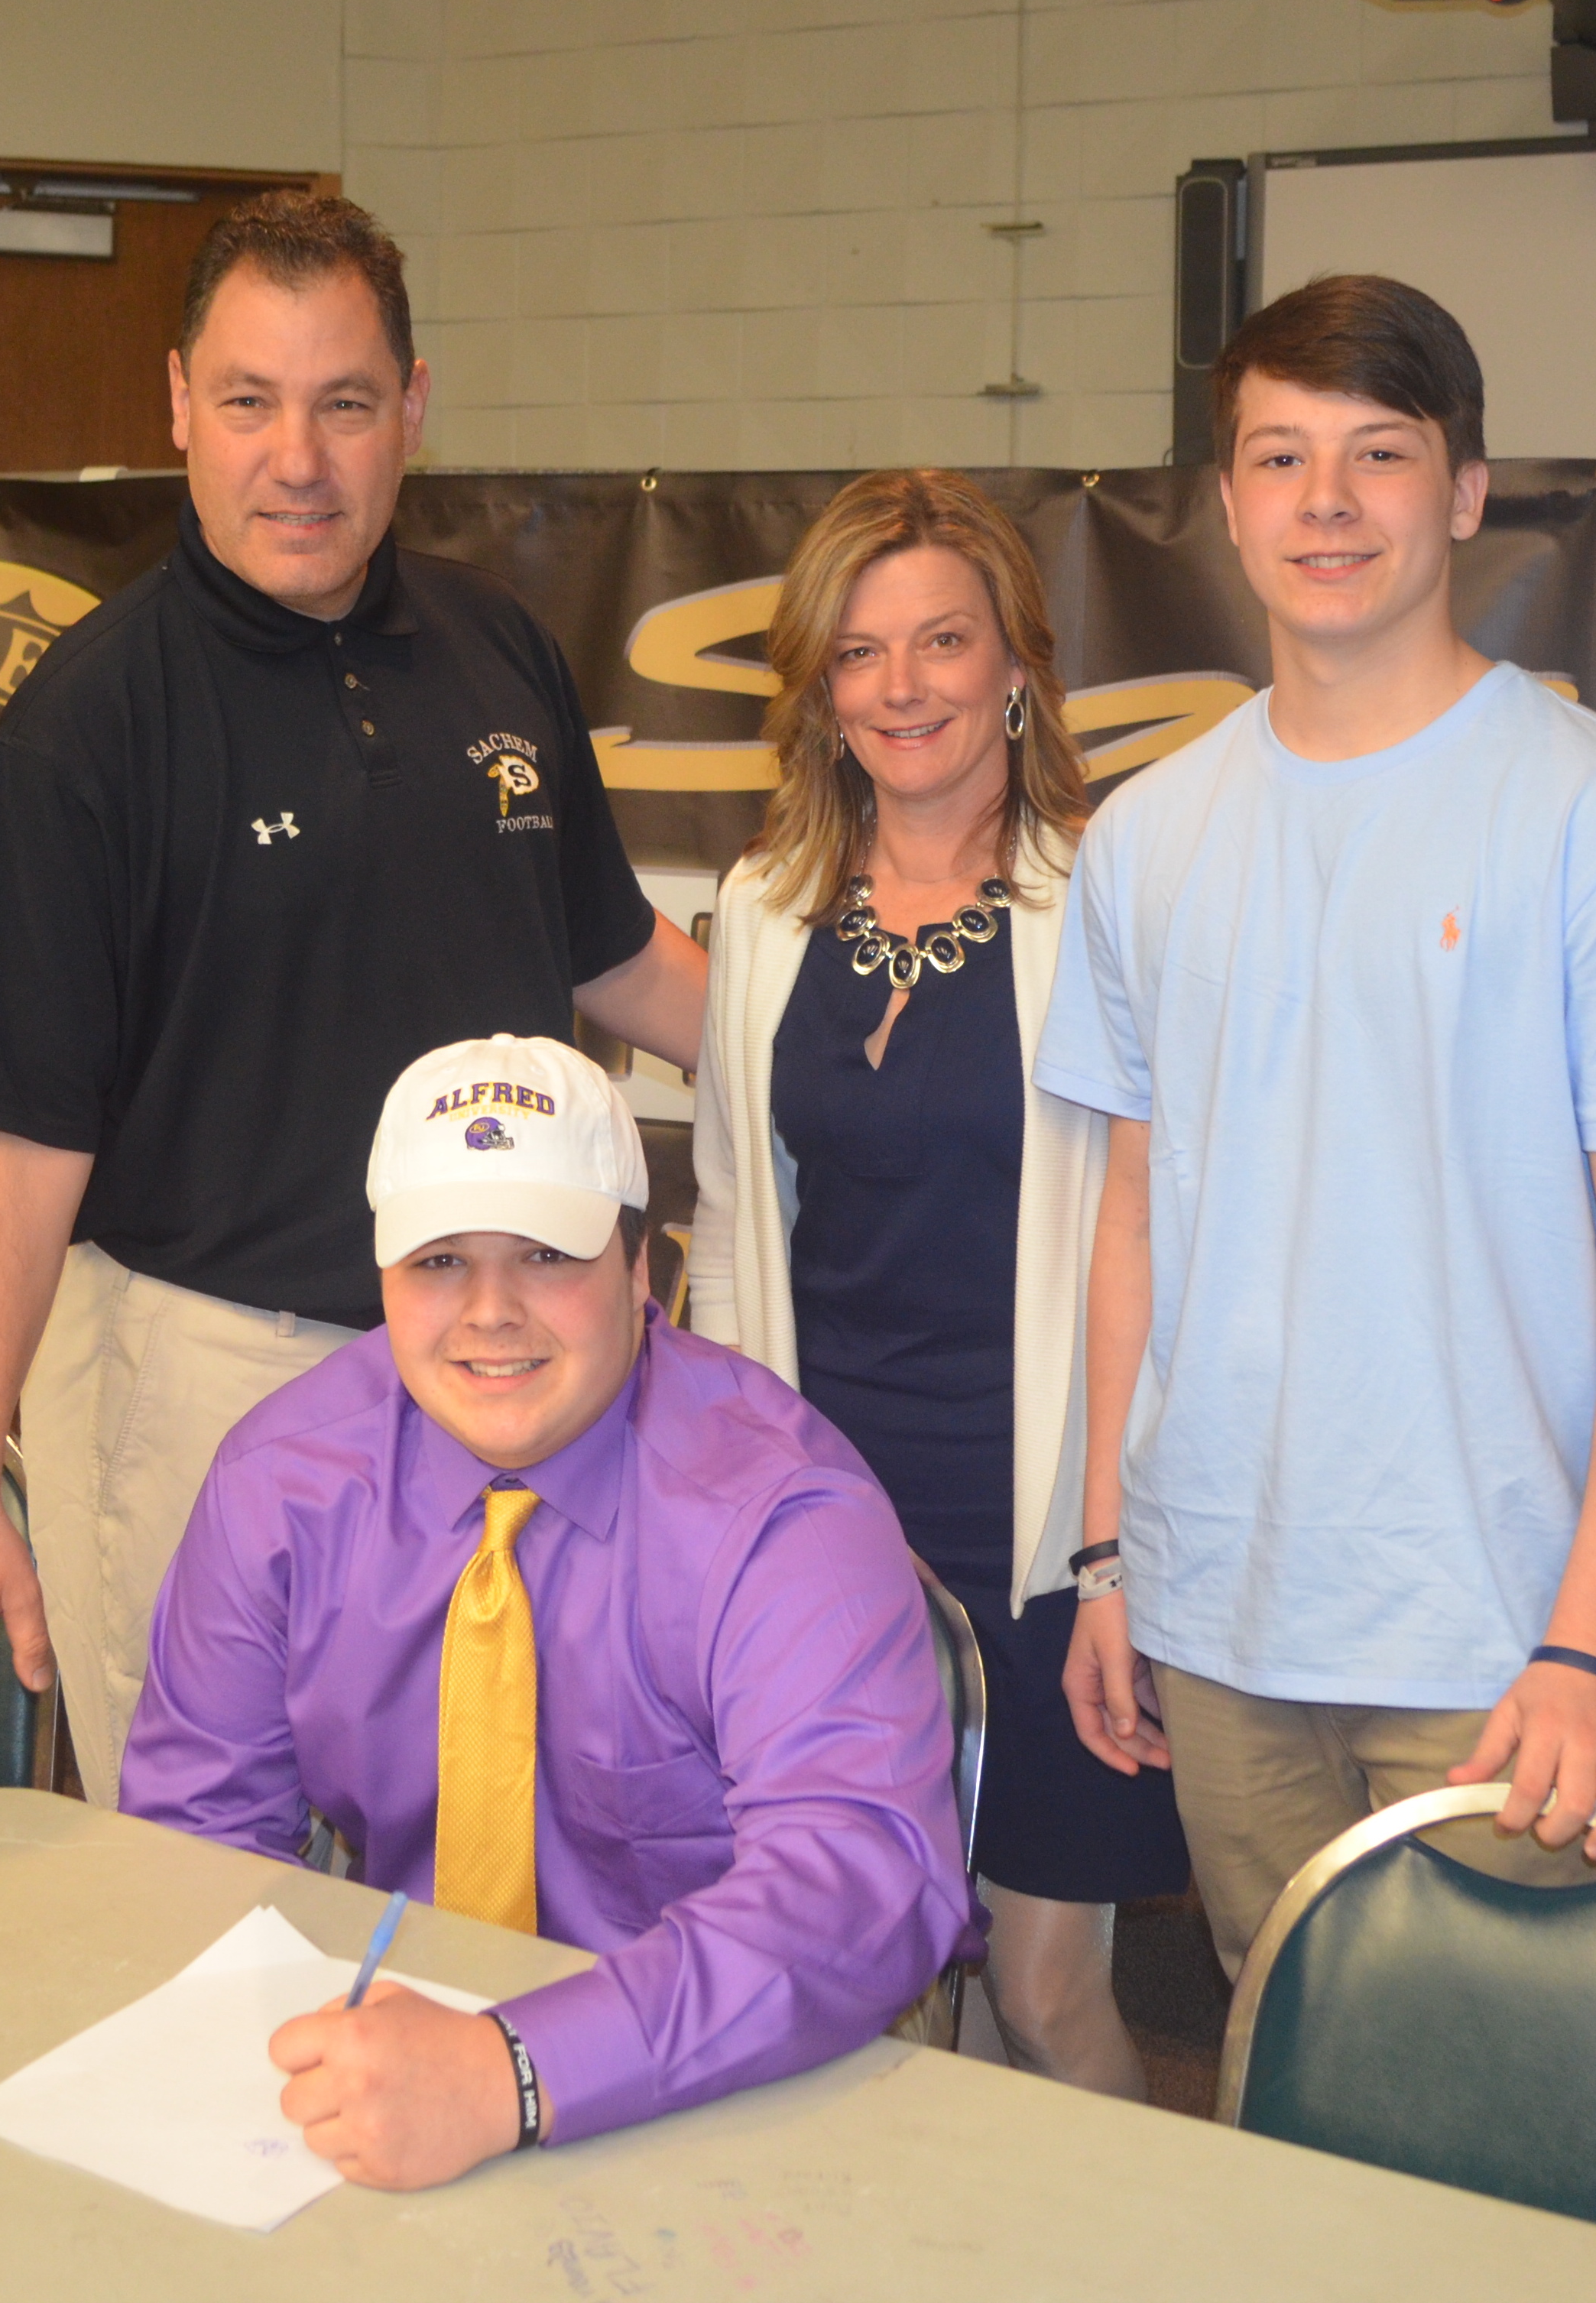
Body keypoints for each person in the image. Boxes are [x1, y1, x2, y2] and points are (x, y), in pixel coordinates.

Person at [0, 194, 705, 1808]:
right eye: (250, 401)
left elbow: (612, 955)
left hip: (494, 1356)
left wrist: (843, 1061)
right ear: (179, 403)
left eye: (345, 403)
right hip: (206, 1373)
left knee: (485, 1834)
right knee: (204, 1869)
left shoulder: (498, 650)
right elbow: (7, 1151)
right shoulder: (86, 731)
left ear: (415, 409)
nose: (298, 460)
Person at [1035, 274, 1596, 1976]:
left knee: (1486, 2104)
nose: (1327, 502)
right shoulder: (1145, 838)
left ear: (1464, 490)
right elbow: (1132, 1220)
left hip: (1497, 1650)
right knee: (1282, 2069)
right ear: (1226, 505)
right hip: (1215, 1620)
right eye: (1279, 458)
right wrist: (1106, 1560)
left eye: (1379, 452)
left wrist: (1588, 1648)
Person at [117, 1033, 973, 2188]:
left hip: (731, 2082)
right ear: (381, 1276)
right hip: (399, 2056)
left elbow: (856, 1883)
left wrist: (516, 2070)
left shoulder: (780, 1513)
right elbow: (194, 1836)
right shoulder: (282, 1483)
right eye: (438, 1261)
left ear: (639, 1268)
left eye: (543, 1254)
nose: (490, 1312)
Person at [690, 470, 1184, 2098]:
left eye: (943, 642)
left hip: (1042, 1529)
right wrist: (725, 1525)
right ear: (820, 692)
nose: (902, 686)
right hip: (831, 1524)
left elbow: (1157, 1245)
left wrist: (1116, 1556)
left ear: (1017, 666)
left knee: (1042, 1991)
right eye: (859, 651)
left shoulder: (1103, 901)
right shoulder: (763, 911)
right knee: (867, 1982)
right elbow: (730, 1225)